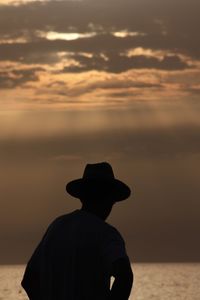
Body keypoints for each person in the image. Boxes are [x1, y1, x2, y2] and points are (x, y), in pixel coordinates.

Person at [21, 162, 133, 300]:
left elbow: (29, 280)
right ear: (110, 198)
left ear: (82, 196)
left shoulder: (56, 228)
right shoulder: (106, 234)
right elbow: (125, 276)